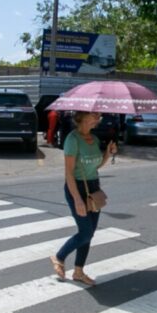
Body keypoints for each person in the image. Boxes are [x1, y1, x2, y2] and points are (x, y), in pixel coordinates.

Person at [50, 111, 118, 286]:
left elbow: (97, 166)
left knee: (89, 234)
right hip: (77, 188)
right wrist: (77, 199)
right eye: (95, 115)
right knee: (85, 232)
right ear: (83, 117)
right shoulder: (72, 140)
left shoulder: (94, 139)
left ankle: (79, 271)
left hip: (93, 188)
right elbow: (69, 173)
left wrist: (107, 154)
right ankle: (59, 257)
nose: (98, 118)